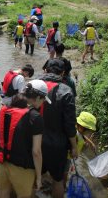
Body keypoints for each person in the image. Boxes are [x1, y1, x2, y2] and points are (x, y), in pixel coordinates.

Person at [0, 82, 47, 198]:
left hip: (2, 162)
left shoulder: (5, 107)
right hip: (23, 168)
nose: (44, 102)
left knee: (1, 193)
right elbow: (36, 152)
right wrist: (38, 177)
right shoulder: (36, 118)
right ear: (38, 97)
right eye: (43, 99)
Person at [39, 59, 77, 198]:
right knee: (57, 180)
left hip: (35, 142)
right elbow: (69, 123)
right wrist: (74, 146)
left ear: (45, 70)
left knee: (34, 175)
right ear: (62, 73)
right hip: (57, 144)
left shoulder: (34, 86)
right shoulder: (66, 91)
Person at [63, 112, 97, 188]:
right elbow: (71, 151)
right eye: (89, 131)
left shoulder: (77, 130)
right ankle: (63, 186)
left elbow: (82, 135)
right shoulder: (74, 137)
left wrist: (90, 142)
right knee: (64, 174)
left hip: (69, 158)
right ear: (81, 127)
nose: (90, 133)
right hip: (65, 158)